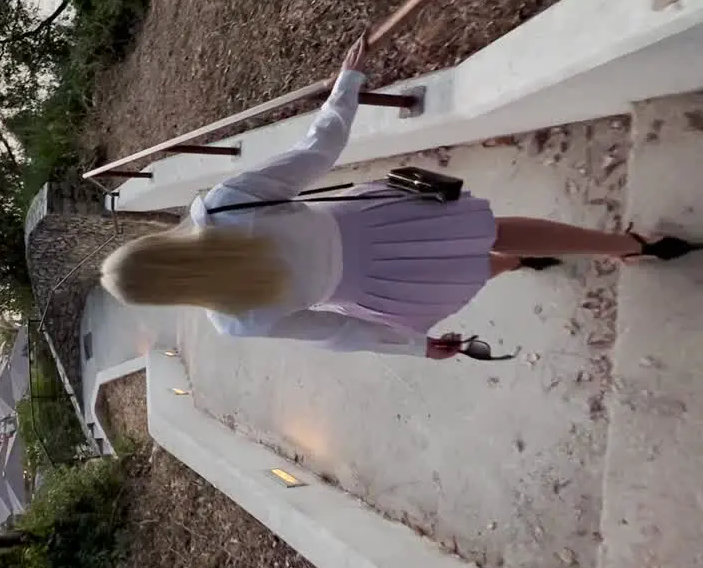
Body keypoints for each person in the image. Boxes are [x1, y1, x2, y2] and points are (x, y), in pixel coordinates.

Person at [100, 34, 699, 360]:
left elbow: (336, 335)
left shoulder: (236, 321)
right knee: (493, 229)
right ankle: (628, 245)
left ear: (166, 294)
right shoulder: (223, 207)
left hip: (379, 286)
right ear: (157, 247)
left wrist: (417, 348)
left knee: (473, 264)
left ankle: (515, 266)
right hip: (378, 224)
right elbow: (317, 152)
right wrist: (347, 87)